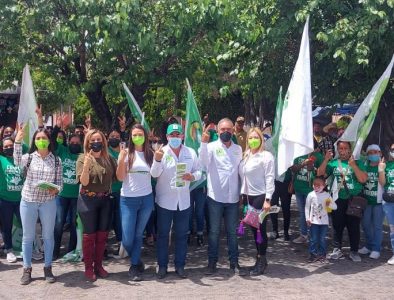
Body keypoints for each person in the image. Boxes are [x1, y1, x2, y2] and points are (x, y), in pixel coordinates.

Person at [150, 123, 201, 279]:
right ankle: (162, 266)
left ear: (182, 136)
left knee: (181, 235)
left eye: (178, 134)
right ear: (167, 137)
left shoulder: (190, 152)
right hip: (165, 201)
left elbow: (200, 172)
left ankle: (180, 265)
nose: (175, 137)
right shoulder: (161, 152)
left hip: (184, 201)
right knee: (163, 235)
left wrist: (193, 177)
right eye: (172, 135)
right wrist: (157, 160)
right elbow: (154, 174)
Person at [14, 125, 63, 285]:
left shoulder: (56, 160)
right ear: (34, 141)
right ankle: (27, 269)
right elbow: (16, 161)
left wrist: (55, 190)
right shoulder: (28, 158)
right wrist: (18, 140)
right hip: (28, 201)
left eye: (44, 138)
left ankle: (48, 267)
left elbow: (60, 183)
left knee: (48, 236)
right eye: (38, 138)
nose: (41, 141)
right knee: (28, 237)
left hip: (48, 203)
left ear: (49, 141)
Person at [200, 118, 244, 275]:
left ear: (233, 131)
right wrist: (203, 144)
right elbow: (203, 163)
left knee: (232, 232)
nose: (226, 132)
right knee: (214, 232)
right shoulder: (211, 147)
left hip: (233, 199)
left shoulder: (238, 149)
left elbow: (241, 172)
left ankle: (234, 263)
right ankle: (212, 262)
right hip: (215, 198)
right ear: (217, 131)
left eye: (229, 129)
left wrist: (243, 192)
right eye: (223, 129)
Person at [76, 129, 117, 281]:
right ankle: (88, 267)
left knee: (102, 235)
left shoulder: (108, 158)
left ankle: (98, 265)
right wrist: (86, 166)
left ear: (103, 142)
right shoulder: (82, 158)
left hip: (105, 200)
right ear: (88, 142)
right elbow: (84, 182)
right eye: (92, 140)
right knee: (89, 236)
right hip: (88, 201)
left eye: (98, 139)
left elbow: (118, 177)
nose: (96, 142)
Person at [317, 141, 367, 262]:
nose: (343, 150)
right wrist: (325, 160)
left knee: (354, 226)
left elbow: (363, 179)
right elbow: (320, 174)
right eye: (340, 148)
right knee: (337, 225)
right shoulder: (333, 163)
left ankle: (354, 251)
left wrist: (353, 165)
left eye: (345, 148)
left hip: (353, 199)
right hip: (337, 199)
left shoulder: (358, 162)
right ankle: (337, 249)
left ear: (350, 149)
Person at [116, 124, 154, 281]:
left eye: (140, 134)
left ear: (145, 136)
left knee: (139, 234)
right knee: (127, 239)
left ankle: (133, 267)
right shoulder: (126, 154)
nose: (137, 137)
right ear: (130, 137)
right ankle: (137, 260)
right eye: (134, 135)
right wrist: (120, 161)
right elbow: (120, 177)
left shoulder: (150, 154)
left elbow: (156, 174)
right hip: (128, 200)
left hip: (146, 198)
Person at [239, 127, 275, 275]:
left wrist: (268, 199)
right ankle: (259, 258)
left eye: (256, 137)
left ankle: (261, 259)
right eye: (250, 137)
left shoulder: (266, 156)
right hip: (248, 197)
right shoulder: (246, 155)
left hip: (260, 197)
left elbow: (270, 178)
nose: (253, 140)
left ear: (261, 139)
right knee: (253, 231)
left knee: (259, 230)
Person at [52, 120, 82, 260]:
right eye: (72, 142)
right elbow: (52, 140)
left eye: (77, 143)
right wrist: (57, 127)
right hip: (62, 195)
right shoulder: (62, 151)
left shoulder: (82, 155)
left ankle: (71, 250)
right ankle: (55, 250)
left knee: (75, 225)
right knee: (58, 223)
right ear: (68, 142)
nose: (74, 144)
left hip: (77, 196)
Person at [291, 145, 323, 244]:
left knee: (313, 213)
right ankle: (303, 235)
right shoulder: (297, 155)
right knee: (302, 213)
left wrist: (313, 168)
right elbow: (293, 169)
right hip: (299, 189)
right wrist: (303, 164)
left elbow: (322, 173)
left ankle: (313, 236)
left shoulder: (318, 156)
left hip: (311, 191)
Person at [358, 144, 384, 259]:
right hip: (366, 201)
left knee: (377, 226)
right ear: (367, 155)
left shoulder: (384, 166)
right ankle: (369, 245)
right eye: (370, 153)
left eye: (376, 152)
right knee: (365, 224)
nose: (373, 154)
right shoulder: (364, 166)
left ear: (380, 153)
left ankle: (376, 248)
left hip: (379, 202)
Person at [0, 137, 23, 263]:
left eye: (11, 145)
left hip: (21, 200)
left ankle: (30, 248)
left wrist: (19, 138)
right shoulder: (1, 159)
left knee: (26, 225)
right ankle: (9, 250)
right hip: (5, 200)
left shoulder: (21, 159)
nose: (9, 148)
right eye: (6, 146)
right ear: (2, 148)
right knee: (6, 226)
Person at [305, 176, 337, 263]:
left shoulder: (327, 195)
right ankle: (313, 254)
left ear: (324, 185)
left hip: (324, 222)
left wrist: (329, 204)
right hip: (313, 221)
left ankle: (322, 254)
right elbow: (307, 207)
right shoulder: (311, 195)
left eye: (318, 185)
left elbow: (335, 207)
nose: (316, 187)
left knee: (322, 238)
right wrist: (307, 218)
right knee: (313, 238)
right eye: (314, 185)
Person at [378, 143, 394, 265]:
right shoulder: (387, 166)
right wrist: (381, 169)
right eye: (393, 149)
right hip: (389, 201)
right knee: (392, 229)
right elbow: (383, 183)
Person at [107, 129, 123, 250]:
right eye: (112, 136)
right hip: (108, 190)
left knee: (119, 218)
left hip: (122, 190)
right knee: (107, 218)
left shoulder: (124, 151)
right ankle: (104, 245)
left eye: (117, 136)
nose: (114, 138)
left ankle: (120, 242)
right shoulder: (106, 151)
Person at [270, 169, 292, 241]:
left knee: (286, 208)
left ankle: (286, 232)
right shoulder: (271, 156)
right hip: (274, 181)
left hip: (286, 182)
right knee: (273, 207)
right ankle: (274, 230)